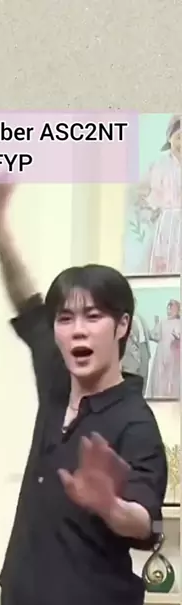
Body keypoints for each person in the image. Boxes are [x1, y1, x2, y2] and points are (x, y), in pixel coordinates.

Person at [0, 183, 167, 605]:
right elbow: (27, 303)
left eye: (93, 317)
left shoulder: (134, 423)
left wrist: (110, 505)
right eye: (67, 319)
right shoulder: (58, 385)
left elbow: (144, 520)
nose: (77, 329)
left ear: (122, 326)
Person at [133, 114, 181, 275]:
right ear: (169, 139)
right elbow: (141, 194)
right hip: (167, 224)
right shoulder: (159, 166)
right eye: (179, 137)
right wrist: (151, 212)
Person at [145, 298, 180, 400]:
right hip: (162, 353)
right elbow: (153, 336)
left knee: (173, 376)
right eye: (169, 308)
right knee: (160, 376)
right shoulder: (163, 322)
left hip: (174, 354)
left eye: (172, 308)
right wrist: (156, 324)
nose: (170, 310)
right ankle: (160, 397)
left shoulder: (180, 322)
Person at [121, 298, 151, 394]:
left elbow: (149, 334)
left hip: (144, 348)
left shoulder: (140, 318)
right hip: (131, 352)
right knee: (132, 376)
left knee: (144, 374)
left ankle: (142, 396)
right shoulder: (124, 319)